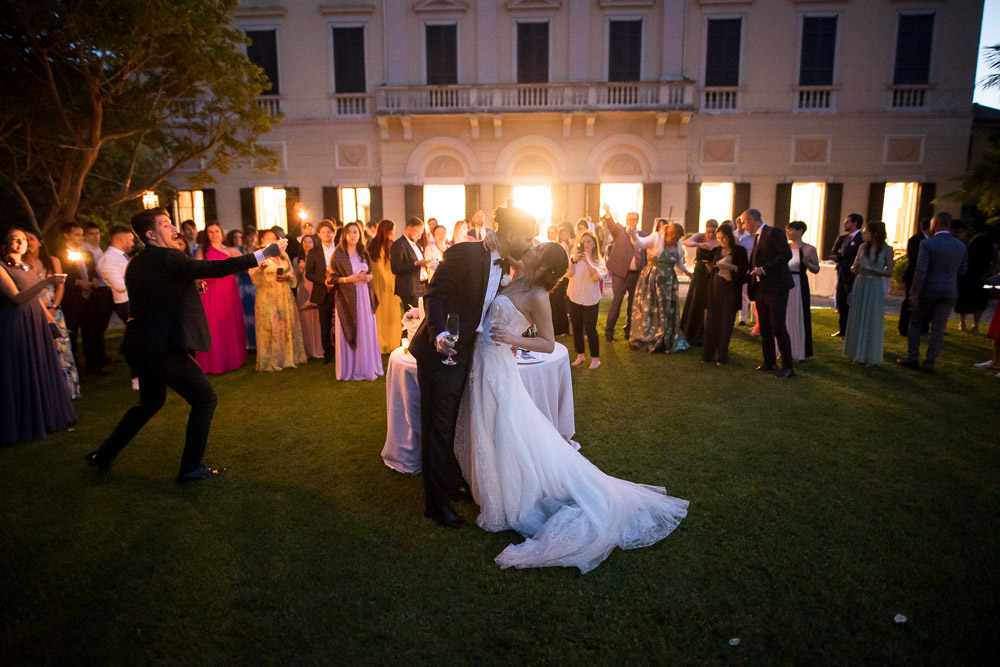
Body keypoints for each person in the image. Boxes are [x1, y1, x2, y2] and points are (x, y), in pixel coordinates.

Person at [452, 241, 688, 572]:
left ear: (542, 263)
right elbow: (504, 250)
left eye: (536, 250)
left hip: (498, 365)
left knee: (502, 429)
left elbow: (548, 344)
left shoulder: (538, 296)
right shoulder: (520, 273)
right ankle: (488, 488)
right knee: (486, 426)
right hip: (482, 362)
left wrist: (514, 339)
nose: (530, 249)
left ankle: (506, 499)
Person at [85, 208, 286, 480]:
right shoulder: (168, 256)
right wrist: (264, 253)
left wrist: (191, 288)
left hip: (141, 346)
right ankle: (191, 467)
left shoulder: (137, 262)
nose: (174, 229)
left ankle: (103, 455)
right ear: (151, 234)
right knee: (205, 399)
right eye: (166, 225)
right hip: (163, 347)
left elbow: (155, 296)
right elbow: (215, 268)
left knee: (149, 403)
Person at [409, 205, 536, 529]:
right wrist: (438, 334)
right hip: (442, 351)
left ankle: (450, 483)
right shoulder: (465, 253)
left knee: (453, 423)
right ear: (509, 235)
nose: (529, 243)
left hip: (468, 352)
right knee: (438, 428)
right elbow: (434, 295)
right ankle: (436, 505)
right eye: (526, 237)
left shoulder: (507, 264)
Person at [0, 228, 76, 444]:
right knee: (23, 369)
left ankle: (46, 416)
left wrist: (51, 322)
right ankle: (24, 423)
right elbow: (16, 298)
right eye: (14, 239)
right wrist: (45, 283)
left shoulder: (27, 266)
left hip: (36, 320)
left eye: (23, 239)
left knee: (41, 366)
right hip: (17, 322)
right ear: (5, 243)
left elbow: (36, 300)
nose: (20, 242)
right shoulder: (2, 267)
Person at [897, 212, 968, 373]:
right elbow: (963, 271)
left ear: (935, 224)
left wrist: (914, 293)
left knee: (915, 322)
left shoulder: (928, 244)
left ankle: (913, 358)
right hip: (949, 290)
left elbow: (921, 270)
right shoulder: (960, 245)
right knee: (938, 328)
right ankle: (930, 363)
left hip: (928, 289)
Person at [24, 231, 80, 398]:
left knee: (61, 347)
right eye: (26, 240)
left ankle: (68, 389)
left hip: (53, 306)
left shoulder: (52, 261)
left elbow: (61, 286)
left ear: (40, 242)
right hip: (34, 307)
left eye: (31, 239)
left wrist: (54, 306)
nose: (28, 242)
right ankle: (48, 392)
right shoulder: (24, 264)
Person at [740, 208, 795, 378]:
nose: (742, 225)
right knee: (764, 327)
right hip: (761, 288)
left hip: (776, 287)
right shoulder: (756, 237)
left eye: (743, 221)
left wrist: (764, 270)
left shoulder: (772, 232)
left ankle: (787, 367)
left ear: (750, 220)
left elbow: (786, 254)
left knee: (778, 327)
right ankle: (769, 362)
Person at [327, 222, 383, 381]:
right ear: (344, 234)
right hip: (347, 298)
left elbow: (371, 273)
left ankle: (366, 366)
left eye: (356, 232)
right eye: (350, 232)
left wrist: (368, 277)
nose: (353, 235)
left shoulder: (363, 252)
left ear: (360, 235)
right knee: (351, 329)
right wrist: (347, 279)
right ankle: (351, 368)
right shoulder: (338, 254)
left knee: (365, 329)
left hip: (364, 296)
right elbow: (330, 278)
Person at [630, 220, 692, 353]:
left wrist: (687, 272)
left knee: (667, 308)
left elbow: (678, 262)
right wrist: (633, 235)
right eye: (674, 237)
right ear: (668, 233)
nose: (675, 240)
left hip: (669, 282)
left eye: (677, 238)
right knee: (651, 307)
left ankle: (666, 335)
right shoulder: (656, 237)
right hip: (652, 279)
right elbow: (640, 243)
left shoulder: (678, 244)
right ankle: (649, 337)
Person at [193, 222, 246, 374]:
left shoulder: (231, 250)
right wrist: (198, 282)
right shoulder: (202, 251)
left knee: (228, 323)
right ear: (207, 234)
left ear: (221, 233)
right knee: (212, 325)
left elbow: (247, 262)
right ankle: (213, 363)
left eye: (217, 231)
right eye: (211, 232)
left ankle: (232, 360)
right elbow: (196, 270)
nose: (214, 234)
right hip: (210, 291)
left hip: (228, 290)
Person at [252, 229, 306, 371]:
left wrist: (287, 277)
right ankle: (270, 360)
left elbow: (292, 274)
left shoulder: (283, 255)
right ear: (262, 241)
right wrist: (260, 269)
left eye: (273, 238)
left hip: (284, 294)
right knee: (270, 326)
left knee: (285, 325)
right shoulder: (258, 256)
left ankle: (287, 358)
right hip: (267, 296)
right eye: (267, 238)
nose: (270, 240)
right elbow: (254, 278)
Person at [843, 221, 894, 365]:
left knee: (871, 317)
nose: (863, 235)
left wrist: (872, 270)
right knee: (858, 315)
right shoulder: (862, 247)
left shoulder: (887, 249)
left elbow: (889, 272)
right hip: (861, 282)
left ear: (875, 234)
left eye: (866, 233)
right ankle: (856, 353)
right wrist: (856, 267)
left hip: (874, 284)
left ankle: (869, 355)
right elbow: (854, 266)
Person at [59, 221, 106, 374]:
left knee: (90, 333)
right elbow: (59, 277)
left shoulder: (87, 253)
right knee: (72, 334)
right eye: (77, 234)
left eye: (81, 235)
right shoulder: (60, 254)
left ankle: (93, 365)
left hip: (88, 299)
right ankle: (75, 367)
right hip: (72, 300)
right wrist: (78, 282)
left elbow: (91, 270)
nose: (80, 238)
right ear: (66, 235)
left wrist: (93, 279)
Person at [702, 222, 748, 365]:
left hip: (730, 290)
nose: (721, 240)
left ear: (730, 237)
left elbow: (743, 270)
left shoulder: (739, 251)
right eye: (719, 237)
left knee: (726, 323)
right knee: (711, 322)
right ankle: (708, 355)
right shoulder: (715, 251)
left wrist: (730, 267)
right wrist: (710, 268)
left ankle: (722, 356)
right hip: (715, 289)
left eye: (724, 237)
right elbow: (708, 271)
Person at [602, 205, 646, 343]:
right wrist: (608, 214)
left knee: (633, 304)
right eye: (629, 219)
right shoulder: (620, 231)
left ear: (637, 220)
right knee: (617, 301)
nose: (631, 221)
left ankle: (629, 332)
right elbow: (611, 226)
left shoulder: (643, 235)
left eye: (634, 219)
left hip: (636, 274)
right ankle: (609, 332)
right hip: (620, 273)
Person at [565, 230, 607, 369]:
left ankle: (595, 358)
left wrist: (587, 261)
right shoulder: (573, 257)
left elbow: (596, 277)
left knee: (590, 329)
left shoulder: (599, 261)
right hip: (574, 296)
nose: (586, 244)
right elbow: (568, 274)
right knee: (576, 327)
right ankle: (580, 355)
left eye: (589, 241)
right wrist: (573, 261)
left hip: (590, 299)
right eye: (583, 241)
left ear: (594, 244)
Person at [784, 220, 821, 361]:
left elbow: (816, 269)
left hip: (799, 284)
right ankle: (783, 349)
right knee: (785, 315)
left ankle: (799, 350)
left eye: (791, 230)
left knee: (799, 314)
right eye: (787, 230)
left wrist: (808, 264)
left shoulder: (809, 249)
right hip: (785, 283)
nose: (788, 232)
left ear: (800, 231)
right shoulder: (785, 247)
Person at [680, 218, 720, 346]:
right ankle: (691, 332)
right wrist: (699, 245)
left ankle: (707, 333)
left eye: (713, 232)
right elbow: (686, 242)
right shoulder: (700, 237)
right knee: (697, 299)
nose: (711, 234)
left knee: (709, 300)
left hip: (712, 271)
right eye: (709, 231)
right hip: (700, 271)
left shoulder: (719, 239)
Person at [366, 219, 403, 353]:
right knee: (389, 312)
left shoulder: (371, 245)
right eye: (392, 229)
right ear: (388, 230)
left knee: (380, 312)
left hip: (377, 281)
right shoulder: (388, 245)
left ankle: (380, 342)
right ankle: (390, 342)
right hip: (387, 281)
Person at [304, 220, 338, 364]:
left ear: (333, 233)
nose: (326, 235)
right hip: (322, 291)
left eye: (329, 232)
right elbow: (309, 274)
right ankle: (327, 353)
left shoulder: (340, 250)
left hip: (339, 290)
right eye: (323, 232)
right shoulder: (314, 252)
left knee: (340, 322)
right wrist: (323, 281)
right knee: (324, 324)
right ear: (318, 234)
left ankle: (341, 351)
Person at [955, 226, 998, 334]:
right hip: (983, 279)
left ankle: (962, 323)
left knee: (964, 299)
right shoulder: (992, 248)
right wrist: (987, 274)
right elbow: (995, 263)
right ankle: (976, 325)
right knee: (980, 301)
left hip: (968, 277)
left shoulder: (969, 248)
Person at [830, 213, 864, 337]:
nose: (845, 224)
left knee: (851, 304)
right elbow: (837, 252)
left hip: (853, 276)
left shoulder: (861, 239)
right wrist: (837, 257)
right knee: (842, 303)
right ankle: (843, 329)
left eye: (847, 221)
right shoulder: (843, 238)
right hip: (842, 274)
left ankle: (852, 330)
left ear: (854, 223)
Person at [898, 217, 931, 336]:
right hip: (913, 275)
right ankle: (904, 328)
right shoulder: (915, 240)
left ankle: (923, 328)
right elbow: (914, 258)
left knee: (926, 302)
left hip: (928, 276)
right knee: (909, 301)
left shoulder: (933, 241)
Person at [390, 216, 429, 316]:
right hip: (409, 288)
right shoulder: (399, 244)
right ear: (408, 228)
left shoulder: (418, 245)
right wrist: (416, 263)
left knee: (422, 316)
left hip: (422, 285)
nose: (419, 236)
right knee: (413, 318)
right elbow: (395, 267)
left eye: (421, 233)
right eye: (417, 232)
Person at [98, 226, 135, 327]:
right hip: (127, 304)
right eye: (131, 240)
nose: (133, 243)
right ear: (123, 238)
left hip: (132, 302)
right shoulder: (109, 258)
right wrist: (140, 276)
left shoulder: (120, 257)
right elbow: (119, 286)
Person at [294, 234, 324, 359]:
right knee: (304, 319)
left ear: (314, 243)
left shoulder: (319, 256)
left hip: (315, 286)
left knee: (316, 318)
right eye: (304, 242)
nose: (307, 244)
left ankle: (318, 348)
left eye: (309, 242)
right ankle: (307, 349)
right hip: (303, 288)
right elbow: (295, 279)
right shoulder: (297, 260)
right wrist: (300, 271)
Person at [237, 226, 258, 351]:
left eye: (253, 236)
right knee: (246, 311)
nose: (251, 238)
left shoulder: (259, 250)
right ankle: (248, 343)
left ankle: (257, 342)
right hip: (244, 282)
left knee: (256, 311)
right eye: (248, 236)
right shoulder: (239, 250)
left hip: (256, 283)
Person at [734, 217, 755, 327]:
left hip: (755, 267)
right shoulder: (743, 240)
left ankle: (754, 317)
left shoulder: (755, 238)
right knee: (743, 294)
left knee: (754, 293)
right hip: (745, 268)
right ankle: (742, 318)